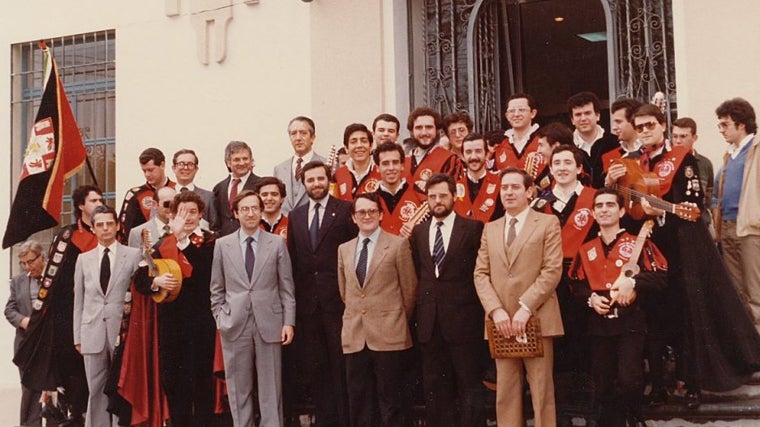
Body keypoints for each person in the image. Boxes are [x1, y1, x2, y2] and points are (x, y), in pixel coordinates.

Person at [608, 103, 760, 407]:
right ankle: (659, 387)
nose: (645, 132)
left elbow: (692, 204)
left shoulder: (682, 158)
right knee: (652, 317)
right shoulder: (630, 163)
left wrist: (662, 212)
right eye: (639, 127)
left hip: (679, 248)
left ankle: (692, 385)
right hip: (646, 250)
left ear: (663, 126)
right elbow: (622, 207)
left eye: (650, 125)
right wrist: (611, 185)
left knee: (687, 315)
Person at [568, 188, 668, 427]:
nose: (604, 209)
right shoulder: (586, 248)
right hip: (599, 325)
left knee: (629, 378)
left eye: (610, 205)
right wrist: (590, 299)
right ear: (592, 212)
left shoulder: (637, 243)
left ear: (622, 210)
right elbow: (575, 283)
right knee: (602, 382)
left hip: (630, 322)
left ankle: (634, 418)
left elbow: (661, 276)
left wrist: (633, 282)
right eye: (599, 206)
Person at [473, 167, 563, 427]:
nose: (509, 192)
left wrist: (525, 308)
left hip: (536, 317)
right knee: (506, 391)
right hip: (501, 322)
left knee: (542, 390)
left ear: (529, 191)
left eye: (515, 187)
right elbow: (480, 274)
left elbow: (552, 269)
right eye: (505, 188)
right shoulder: (491, 228)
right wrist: (496, 311)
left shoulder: (547, 223)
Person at [14, 185, 104, 427]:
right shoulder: (66, 236)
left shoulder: (107, 233)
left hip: (99, 314)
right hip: (67, 317)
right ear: (81, 206)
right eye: (94, 200)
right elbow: (51, 281)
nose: (99, 203)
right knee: (71, 375)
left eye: (101, 199)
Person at [210, 190, 296, 427]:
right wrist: (221, 317)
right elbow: (216, 289)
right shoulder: (222, 245)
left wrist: (288, 322)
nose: (250, 213)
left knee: (271, 389)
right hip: (234, 325)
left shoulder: (277, 243)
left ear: (261, 211)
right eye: (245, 209)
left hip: (270, 324)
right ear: (236, 213)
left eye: (255, 208)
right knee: (239, 389)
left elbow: (286, 287)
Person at [410, 173, 488, 427]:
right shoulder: (419, 232)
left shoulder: (473, 228)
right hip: (430, 322)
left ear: (455, 196)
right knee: (434, 387)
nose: (437, 201)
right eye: (432, 197)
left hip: (464, 322)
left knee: (469, 385)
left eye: (443, 195)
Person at [134, 191, 217, 426]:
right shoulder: (161, 245)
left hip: (202, 326)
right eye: (182, 212)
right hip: (172, 326)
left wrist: (182, 241)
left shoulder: (212, 242)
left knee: (202, 387)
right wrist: (155, 282)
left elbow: (204, 274)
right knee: (175, 385)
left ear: (201, 214)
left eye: (193, 212)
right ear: (172, 215)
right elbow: (140, 277)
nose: (188, 217)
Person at [337, 192, 418, 427]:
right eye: (361, 212)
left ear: (381, 215)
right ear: (353, 217)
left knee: (391, 402)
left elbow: (409, 290)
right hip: (355, 336)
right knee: (359, 402)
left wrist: (391, 317)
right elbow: (346, 291)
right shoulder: (344, 249)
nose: (367, 216)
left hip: (389, 335)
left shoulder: (398, 244)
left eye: (372, 211)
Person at [286, 160, 357, 426]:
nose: (315, 184)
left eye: (320, 179)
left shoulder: (345, 209)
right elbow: (294, 259)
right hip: (308, 306)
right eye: (310, 180)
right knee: (317, 368)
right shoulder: (296, 215)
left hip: (338, 303)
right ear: (303, 184)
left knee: (341, 366)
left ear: (328, 180)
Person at [73, 205, 141, 427]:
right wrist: (78, 337)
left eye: (109, 223)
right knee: (96, 390)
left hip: (122, 333)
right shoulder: (83, 260)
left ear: (118, 226)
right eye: (99, 225)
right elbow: (79, 301)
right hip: (92, 333)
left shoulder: (132, 255)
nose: (105, 229)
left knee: (122, 388)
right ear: (93, 229)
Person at [714, 98, 758, 327]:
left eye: (725, 124)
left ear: (741, 124)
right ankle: (749, 351)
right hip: (728, 227)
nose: (721, 130)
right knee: (737, 293)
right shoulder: (730, 154)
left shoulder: (756, 150)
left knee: (755, 292)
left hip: (750, 229)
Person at [5, 240, 47, 426]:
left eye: (31, 262)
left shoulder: (54, 278)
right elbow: (9, 309)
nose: (27, 267)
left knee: (54, 393)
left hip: (49, 344)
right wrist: (23, 321)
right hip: (26, 346)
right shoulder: (18, 281)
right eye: (23, 263)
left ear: (43, 257)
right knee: (29, 393)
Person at [117, 148, 175, 242]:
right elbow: (124, 230)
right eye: (144, 171)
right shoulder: (134, 195)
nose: (147, 174)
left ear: (162, 165)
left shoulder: (177, 191)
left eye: (151, 170)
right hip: (144, 249)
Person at [274, 116, 328, 215]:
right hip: (285, 227)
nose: (298, 138)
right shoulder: (279, 169)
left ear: (312, 137)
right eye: (293, 133)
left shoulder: (326, 165)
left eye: (303, 133)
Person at [373, 142, 425, 237]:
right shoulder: (370, 200)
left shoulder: (420, 195)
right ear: (377, 168)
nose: (391, 168)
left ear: (402, 166)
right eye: (385, 164)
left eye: (395, 162)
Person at [671, 118, 715, 232]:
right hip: (676, 224)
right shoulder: (667, 163)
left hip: (702, 223)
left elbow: (710, 198)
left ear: (694, 138)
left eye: (683, 136)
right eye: (675, 136)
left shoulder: (705, 163)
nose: (678, 141)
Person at [567, 91, 618, 187]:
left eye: (587, 113)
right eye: (578, 114)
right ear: (572, 120)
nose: (583, 118)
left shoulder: (615, 143)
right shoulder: (566, 147)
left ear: (597, 116)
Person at [404, 107, 460, 194]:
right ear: (412, 131)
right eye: (419, 128)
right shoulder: (403, 161)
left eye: (429, 127)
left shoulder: (449, 160)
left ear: (437, 130)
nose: (424, 133)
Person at [212, 140, 261, 236]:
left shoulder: (260, 185)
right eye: (237, 160)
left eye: (245, 159)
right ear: (228, 163)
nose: (242, 163)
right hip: (225, 243)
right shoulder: (219, 188)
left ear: (251, 160)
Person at [454, 133, 503, 223]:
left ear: (486, 153)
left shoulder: (500, 184)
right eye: (468, 152)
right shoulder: (455, 188)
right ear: (462, 156)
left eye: (478, 151)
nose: (473, 157)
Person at [599, 98, 644, 186]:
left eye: (618, 122)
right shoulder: (609, 157)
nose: (614, 127)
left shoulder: (652, 151)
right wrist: (609, 183)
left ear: (634, 121)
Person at [333, 123, 381, 201]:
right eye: (353, 142)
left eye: (364, 141)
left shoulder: (382, 171)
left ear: (371, 146)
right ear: (346, 148)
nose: (359, 145)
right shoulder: (339, 175)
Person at [172, 148, 218, 230]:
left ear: (196, 169)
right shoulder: (164, 195)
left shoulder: (208, 197)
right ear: (174, 168)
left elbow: (215, 228)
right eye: (181, 164)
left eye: (190, 164)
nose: (185, 168)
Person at [493, 93, 541, 171]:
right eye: (512, 111)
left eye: (521, 110)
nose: (516, 114)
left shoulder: (543, 141)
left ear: (533, 113)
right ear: (507, 116)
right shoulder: (500, 145)